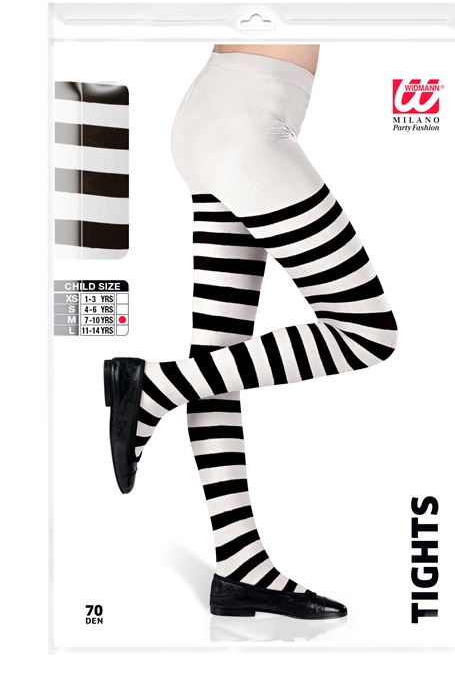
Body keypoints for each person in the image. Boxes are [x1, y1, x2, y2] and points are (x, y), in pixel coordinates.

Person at [104, 44, 398, 619]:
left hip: (231, 115)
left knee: (218, 360)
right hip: (244, 126)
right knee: (367, 332)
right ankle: (155, 388)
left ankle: (239, 567)